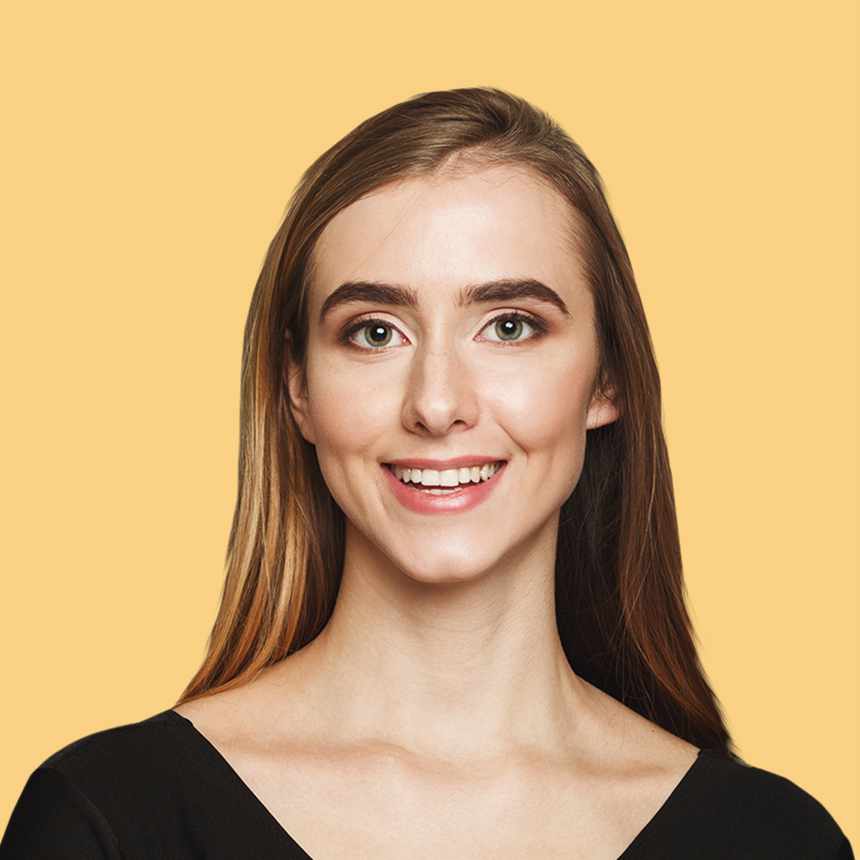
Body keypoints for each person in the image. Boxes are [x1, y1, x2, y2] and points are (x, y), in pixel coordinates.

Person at [1, 86, 853, 859]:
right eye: (376, 332)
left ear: (607, 379)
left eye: (509, 325)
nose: (437, 405)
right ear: (297, 388)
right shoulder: (106, 822)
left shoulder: (774, 843)